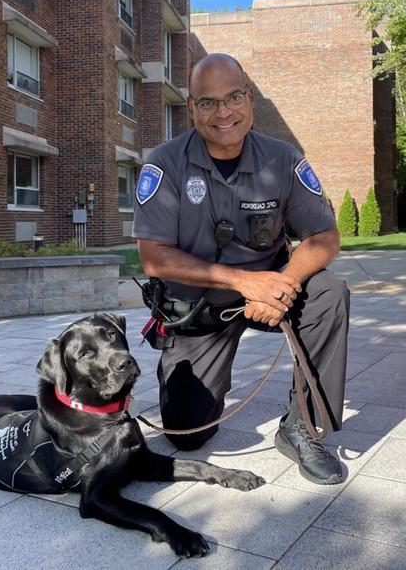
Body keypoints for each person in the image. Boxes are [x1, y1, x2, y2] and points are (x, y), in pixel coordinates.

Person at [132, 53, 349, 485]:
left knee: (328, 293)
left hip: (270, 292)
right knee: (188, 435)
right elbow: (153, 256)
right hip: (197, 309)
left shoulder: (283, 160)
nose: (223, 112)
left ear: (249, 97)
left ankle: (302, 427)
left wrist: (283, 284)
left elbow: (325, 238)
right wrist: (241, 281)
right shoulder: (166, 163)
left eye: (233, 97)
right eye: (207, 102)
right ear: (191, 108)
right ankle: (198, 382)